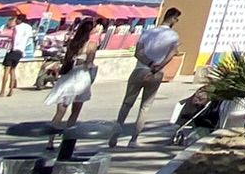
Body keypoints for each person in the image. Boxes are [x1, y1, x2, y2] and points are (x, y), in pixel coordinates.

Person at [115, 8, 183, 145]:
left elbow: (138, 52)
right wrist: (158, 65)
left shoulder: (148, 32)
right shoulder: (173, 36)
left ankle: (114, 136)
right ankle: (133, 139)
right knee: (145, 107)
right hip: (157, 73)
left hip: (140, 68)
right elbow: (171, 54)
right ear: (171, 18)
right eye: (176, 18)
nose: (176, 21)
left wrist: (149, 63)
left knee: (127, 103)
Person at [48, 16, 102, 136]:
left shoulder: (73, 42)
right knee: (75, 111)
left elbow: (67, 59)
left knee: (60, 111)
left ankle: (50, 140)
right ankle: (68, 137)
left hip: (68, 75)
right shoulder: (91, 44)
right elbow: (89, 63)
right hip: (81, 77)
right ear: (91, 30)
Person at [0, 17, 24, 98]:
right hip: (19, 51)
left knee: (6, 70)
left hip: (12, 51)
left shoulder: (13, 30)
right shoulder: (21, 29)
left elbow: (12, 39)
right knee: (12, 70)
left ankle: (2, 91)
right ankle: (11, 90)